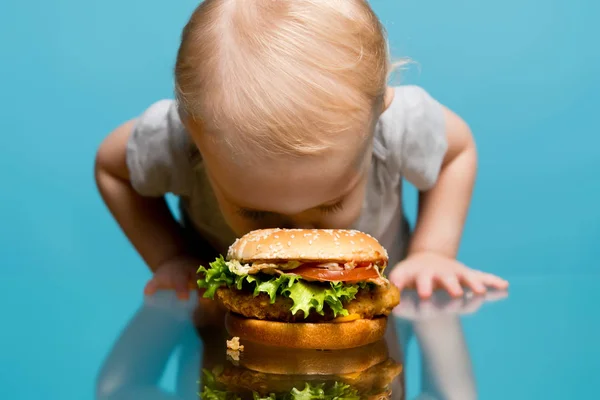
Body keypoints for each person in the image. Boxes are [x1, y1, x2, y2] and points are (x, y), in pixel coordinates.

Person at [94, 0, 508, 301]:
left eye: (330, 204)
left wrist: (432, 251)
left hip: (371, 305)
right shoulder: (174, 142)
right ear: (192, 132)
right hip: (227, 311)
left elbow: (457, 150)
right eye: (256, 214)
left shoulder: (395, 124)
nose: (297, 238)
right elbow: (112, 168)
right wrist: (170, 256)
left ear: (378, 112)